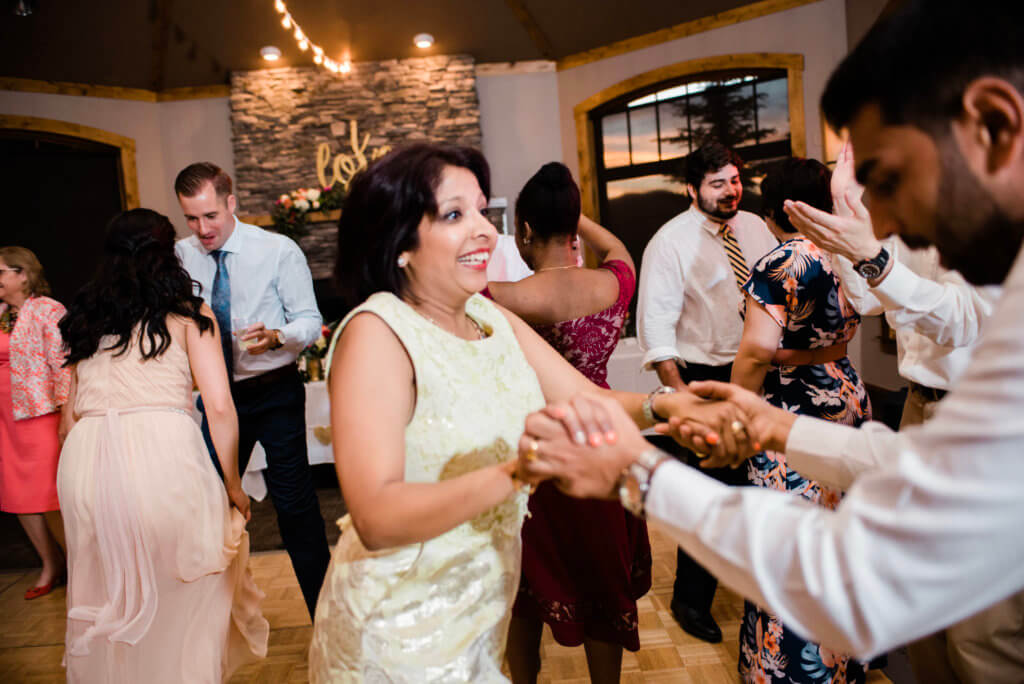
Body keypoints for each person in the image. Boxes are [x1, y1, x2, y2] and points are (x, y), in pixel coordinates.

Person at [515, 0, 1024, 673]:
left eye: (890, 181)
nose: (890, 222)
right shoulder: (672, 244)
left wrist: (637, 474)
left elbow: (859, 573)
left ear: (993, 124)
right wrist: (771, 426)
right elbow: (936, 473)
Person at [306, 143, 744, 682]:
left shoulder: (486, 314)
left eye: (482, 212)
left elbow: (588, 397)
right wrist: (520, 470)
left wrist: (670, 404)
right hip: (404, 622)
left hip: (482, 604)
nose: (487, 232)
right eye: (454, 214)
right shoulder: (377, 334)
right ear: (398, 239)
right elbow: (376, 517)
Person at [786, 144, 1015, 683]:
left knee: (981, 634)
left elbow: (966, 319)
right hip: (919, 412)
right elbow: (870, 299)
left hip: (983, 429)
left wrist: (873, 256)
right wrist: (847, 218)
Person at [57, 209, 268, 682]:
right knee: (187, 584)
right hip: (162, 451)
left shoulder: (86, 317)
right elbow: (218, 406)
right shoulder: (188, 313)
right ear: (167, 252)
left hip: (86, 456)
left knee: (103, 588)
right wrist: (233, 484)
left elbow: (68, 419)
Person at [486, 162, 650, 683]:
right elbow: (621, 248)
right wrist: (578, 218)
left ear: (525, 231)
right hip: (604, 440)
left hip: (538, 449)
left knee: (525, 593)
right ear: (574, 225)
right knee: (603, 581)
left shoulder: (500, 299)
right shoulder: (615, 284)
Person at [731, 158, 870, 682]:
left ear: (775, 209)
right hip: (844, 393)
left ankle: (790, 673)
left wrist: (735, 410)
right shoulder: (845, 254)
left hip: (793, 408)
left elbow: (755, 352)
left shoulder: (779, 263)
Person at [174, 162, 330, 618]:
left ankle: (326, 618)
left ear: (231, 204)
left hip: (275, 390)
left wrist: (279, 336)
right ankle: (210, 623)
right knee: (207, 504)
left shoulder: (277, 250)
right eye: (191, 218)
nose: (202, 229)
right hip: (215, 400)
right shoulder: (179, 257)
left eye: (210, 216)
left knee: (296, 507)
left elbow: (309, 319)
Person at [636, 141, 777, 642]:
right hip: (704, 376)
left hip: (761, 371)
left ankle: (756, 590)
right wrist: (683, 399)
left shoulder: (756, 228)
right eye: (717, 183)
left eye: (734, 180)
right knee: (711, 494)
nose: (730, 191)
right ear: (691, 188)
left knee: (759, 485)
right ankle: (690, 603)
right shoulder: (669, 242)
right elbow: (656, 328)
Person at [0, 246, 69, 600]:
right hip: (5, 418)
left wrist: (67, 412)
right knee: (18, 494)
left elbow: (63, 363)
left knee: (50, 494)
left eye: (0, 272)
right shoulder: (0, 314)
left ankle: (79, 564)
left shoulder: (46, 309)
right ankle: (50, 563)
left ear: (23, 274)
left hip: (40, 414)